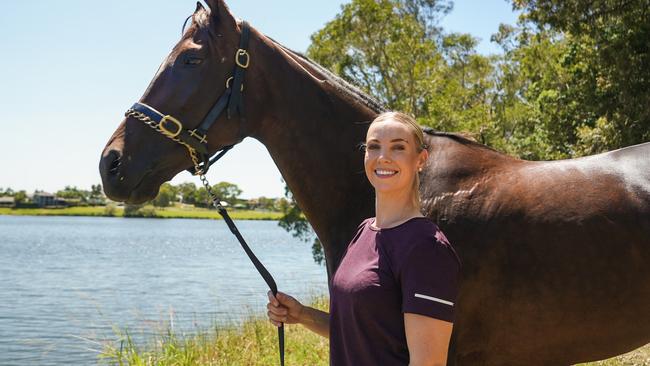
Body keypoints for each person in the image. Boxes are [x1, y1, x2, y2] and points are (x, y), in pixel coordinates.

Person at [266, 111, 461, 365]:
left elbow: (428, 362)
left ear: (420, 160)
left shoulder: (427, 248)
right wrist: (302, 314)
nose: (383, 157)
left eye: (398, 147)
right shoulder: (365, 231)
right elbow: (360, 334)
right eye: (374, 146)